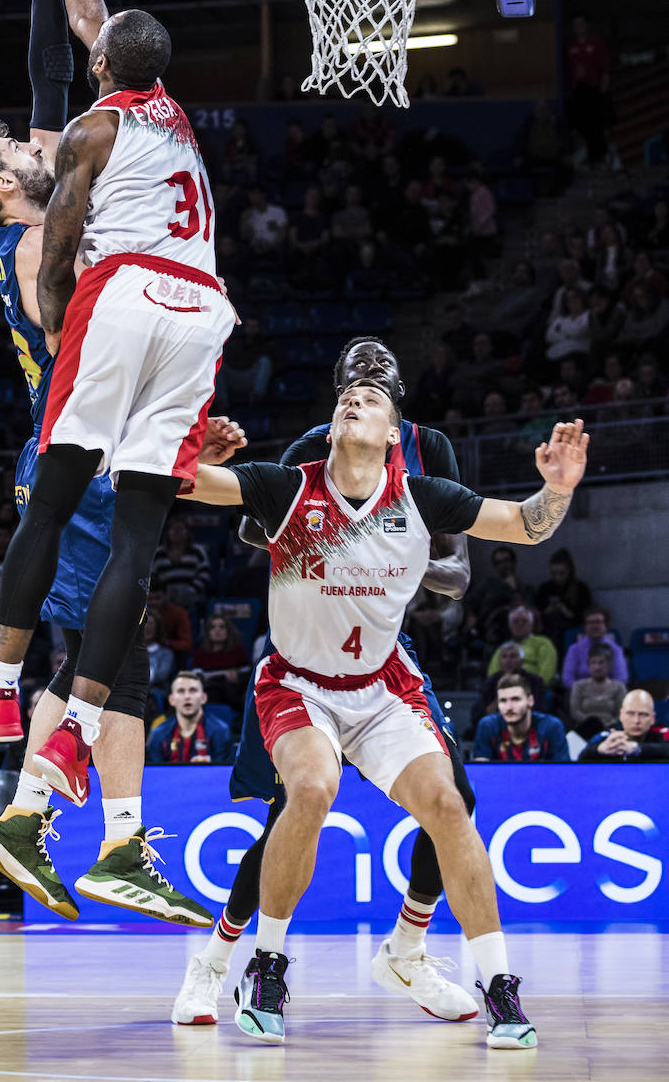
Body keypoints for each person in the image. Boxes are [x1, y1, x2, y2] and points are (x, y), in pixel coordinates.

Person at [0, 0, 233, 928]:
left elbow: (57, 63)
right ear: (8, 185)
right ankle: (35, 800)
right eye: (22, 152)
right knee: (93, 647)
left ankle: (108, 838)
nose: (38, 141)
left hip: (120, 403)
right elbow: (73, 331)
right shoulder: (28, 242)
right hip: (86, 422)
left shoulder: (75, 158)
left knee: (125, 645)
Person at [179, 379, 587, 1046]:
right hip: (298, 684)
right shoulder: (288, 487)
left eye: (369, 398)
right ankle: (268, 964)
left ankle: (499, 986)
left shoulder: (421, 499)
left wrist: (559, 490)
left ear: (394, 433)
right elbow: (181, 485)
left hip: (381, 687)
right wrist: (199, 451)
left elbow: (522, 524)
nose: (352, 400)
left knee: (450, 804)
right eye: (344, 397)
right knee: (310, 790)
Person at [174, 337, 478, 1030]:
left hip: (382, 654)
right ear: (337, 389)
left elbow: (457, 575)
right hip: (304, 650)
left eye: (380, 372)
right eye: (353, 373)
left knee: (456, 798)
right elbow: (258, 526)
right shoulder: (319, 443)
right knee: (291, 812)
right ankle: (214, 963)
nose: (366, 379)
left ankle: (408, 949)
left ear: (398, 394)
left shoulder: (430, 451)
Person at [473, 674, 569, 762]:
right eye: (503, 701)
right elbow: (480, 773)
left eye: (515, 699)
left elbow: (562, 773)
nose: (509, 707)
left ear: (530, 701)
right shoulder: (488, 726)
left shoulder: (551, 727)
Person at [146, 672, 235, 764]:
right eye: (181, 691)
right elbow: (156, 773)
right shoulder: (158, 734)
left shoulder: (221, 731)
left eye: (193, 690)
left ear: (203, 698)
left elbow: (223, 772)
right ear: (171, 700)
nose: (187, 697)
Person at [578, 689, 669, 762]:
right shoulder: (607, 735)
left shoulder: (663, 733)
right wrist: (599, 749)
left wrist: (637, 748)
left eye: (643, 714)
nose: (636, 720)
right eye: (630, 713)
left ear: (653, 718)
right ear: (621, 715)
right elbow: (580, 760)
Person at [487, 605, 558, 689]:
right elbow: (492, 673)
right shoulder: (504, 648)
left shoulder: (544, 643)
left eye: (524, 621)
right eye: (515, 621)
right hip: (503, 689)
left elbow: (547, 674)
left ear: (531, 624)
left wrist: (531, 688)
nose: (520, 624)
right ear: (510, 625)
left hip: (533, 689)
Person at [191, 614, 249, 709]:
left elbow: (246, 671)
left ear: (228, 631)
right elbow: (197, 675)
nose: (217, 630)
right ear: (208, 632)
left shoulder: (238, 651)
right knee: (212, 691)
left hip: (233, 689)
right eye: (213, 627)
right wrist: (222, 674)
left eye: (222, 627)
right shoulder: (200, 653)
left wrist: (236, 674)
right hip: (210, 690)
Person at [561, 605, 628, 687]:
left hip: (609, 693)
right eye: (590, 622)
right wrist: (588, 691)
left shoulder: (616, 649)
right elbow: (567, 679)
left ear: (606, 626)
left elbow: (621, 678)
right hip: (581, 694)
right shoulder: (574, 649)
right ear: (584, 626)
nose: (594, 626)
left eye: (598, 622)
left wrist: (603, 691)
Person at [568, 645, 626, 739]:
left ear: (609, 665)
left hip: (611, 730)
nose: (597, 667)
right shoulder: (578, 686)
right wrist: (593, 725)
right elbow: (575, 712)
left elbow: (622, 713)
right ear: (588, 665)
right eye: (593, 663)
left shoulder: (619, 687)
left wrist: (607, 725)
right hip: (584, 730)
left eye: (601, 662)